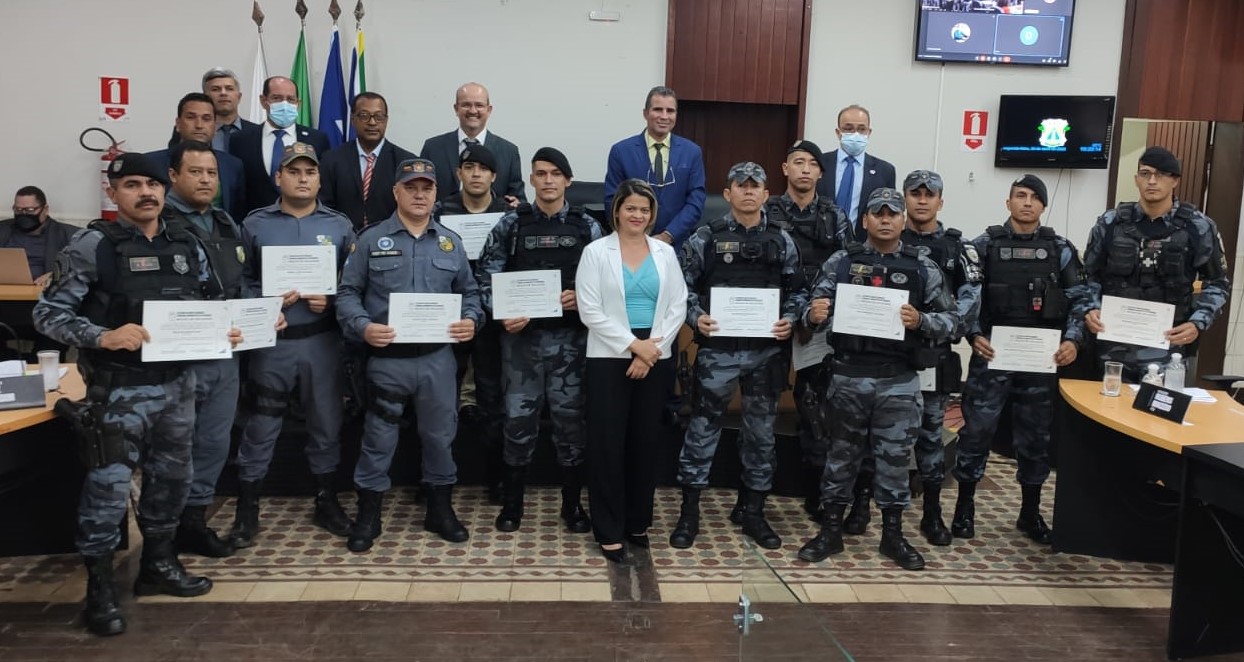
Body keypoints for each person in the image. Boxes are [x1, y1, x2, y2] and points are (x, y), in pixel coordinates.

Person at [32, 153, 243, 636]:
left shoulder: (186, 242)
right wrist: (101, 335)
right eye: (132, 184)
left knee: (172, 483)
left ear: (164, 188)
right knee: (106, 495)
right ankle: (100, 589)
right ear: (114, 192)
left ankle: (158, 566)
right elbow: (48, 314)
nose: (145, 193)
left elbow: (212, 302)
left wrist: (225, 330)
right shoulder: (92, 245)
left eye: (152, 183)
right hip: (119, 392)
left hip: (178, 386)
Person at [796, 187, 958, 570]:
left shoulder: (923, 267)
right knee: (840, 458)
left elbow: (952, 321)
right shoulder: (841, 262)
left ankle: (893, 536)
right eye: (877, 213)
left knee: (895, 461)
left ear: (903, 220)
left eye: (892, 213)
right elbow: (810, 309)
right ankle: (830, 532)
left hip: (898, 381)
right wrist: (813, 314)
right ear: (865, 219)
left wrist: (921, 320)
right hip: (848, 376)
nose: (885, 219)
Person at [336, 158, 482, 551]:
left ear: (436, 193)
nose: (420, 194)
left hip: (437, 361)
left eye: (427, 188)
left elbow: (470, 293)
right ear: (396, 192)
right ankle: (369, 515)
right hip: (387, 361)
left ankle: (440, 510)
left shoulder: (451, 242)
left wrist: (471, 319)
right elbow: (347, 293)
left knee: (439, 436)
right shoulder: (370, 240)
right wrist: (364, 326)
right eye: (411, 187)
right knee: (378, 439)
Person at [670, 162, 808, 550]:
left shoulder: (783, 241)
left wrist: (790, 318)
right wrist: (698, 318)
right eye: (740, 185)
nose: (748, 191)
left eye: (756, 185)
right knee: (701, 431)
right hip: (718, 352)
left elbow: (798, 291)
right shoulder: (704, 238)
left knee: (761, 436)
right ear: (727, 194)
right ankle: (689, 513)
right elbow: (682, 290)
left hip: (766, 354)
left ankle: (754, 513)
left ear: (767, 195)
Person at [951, 175, 1091, 544]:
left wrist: (1074, 340)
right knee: (977, 431)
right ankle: (965, 507)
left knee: (1036, 439)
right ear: (1008, 202)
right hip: (992, 356)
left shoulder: (1060, 249)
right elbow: (964, 298)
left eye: (1034, 198)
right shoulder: (981, 246)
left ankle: (1030, 512)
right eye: (1020, 196)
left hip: (1040, 360)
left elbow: (1081, 299)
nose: (1027, 203)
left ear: (1043, 207)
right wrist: (973, 334)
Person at [229, 143, 356, 548]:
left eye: (310, 172)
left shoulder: (339, 226)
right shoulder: (255, 225)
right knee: (261, 423)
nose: (303, 178)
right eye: (294, 171)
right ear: (278, 177)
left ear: (319, 178)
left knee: (326, 423)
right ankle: (247, 507)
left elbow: (354, 282)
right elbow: (240, 280)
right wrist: (262, 303)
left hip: (322, 343)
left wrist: (332, 299)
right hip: (273, 343)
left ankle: (326, 499)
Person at [475, 147, 604, 535]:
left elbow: (605, 283)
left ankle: (572, 506)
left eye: (555, 174)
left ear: (568, 180)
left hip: (571, 345)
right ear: (531, 179)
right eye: (540, 174)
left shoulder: (588, 227)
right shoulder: (511, 224)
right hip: (521, 346)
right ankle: (513, 505)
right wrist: (501, 310)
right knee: (517, 424)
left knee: (572, 427)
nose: (547, 181)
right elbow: (485, 276)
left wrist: (582, 299)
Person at [159, 140, 267, 558]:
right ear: (173, 176)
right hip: (177, 358)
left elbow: (240, 285)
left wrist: (264, 315)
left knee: (213, 442)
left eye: (211, 174)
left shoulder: (224, 223)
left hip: (225, 353)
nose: (205, 180)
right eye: (195, 172)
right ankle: (160, 538)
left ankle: (193, 523)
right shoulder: (159, 221)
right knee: (172, 446)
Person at [576, 179, 687, 562]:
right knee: (608, 443)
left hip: (656, 354)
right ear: (617, 212)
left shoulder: (664, 253)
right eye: (630, 208)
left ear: (652, 214)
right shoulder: (595, 252)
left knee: (645, 441)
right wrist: (632, 346)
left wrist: (649, 350)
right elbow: (590, 310)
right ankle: (608, 528)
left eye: (644, 209)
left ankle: (637, 521)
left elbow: (679, 305)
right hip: (609, 354)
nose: (637, 215)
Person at [1082, 146, 1230, 380]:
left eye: (1161, 174)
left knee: (1157, 412)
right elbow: (1089, 276)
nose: (1152, 181)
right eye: (1145, 173)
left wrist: (1197, 323)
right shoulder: (1110, 223)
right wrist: (1090, 308)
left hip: (1167, 347)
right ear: (1136, 179)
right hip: (1111, 345)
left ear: (1175, 181)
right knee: (1105, 411)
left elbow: (1218, 282)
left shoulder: (1198, 227)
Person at [760, 140, 851, 521]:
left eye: (812, 164)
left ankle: (817, 490)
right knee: (761, 404)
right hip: (773, 321)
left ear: (820, 173)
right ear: (785, 168)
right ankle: (755, 495)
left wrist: (819, 314)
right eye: (798, 162)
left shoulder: (835, 214)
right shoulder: (766, 211)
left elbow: (849, 267)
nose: (805, 170)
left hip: (819, 324)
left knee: (817, 406)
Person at [898, 170, 982, 545]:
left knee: (930, 437)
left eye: (929, 194)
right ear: (904, 198)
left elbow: (968, 305)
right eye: (914, 193)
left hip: (933, 356)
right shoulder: (886, 239)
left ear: (940, 201)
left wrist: (926, 323)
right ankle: (867, 505)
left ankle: (932, 512)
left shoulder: (958, 247)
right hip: (887, 357)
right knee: (880, 435)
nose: (921, 200)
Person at [440, 144, 510, 502]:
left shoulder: (509, 215)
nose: (477, 174)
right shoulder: (441, 212)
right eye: (470, 167)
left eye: (484, 168)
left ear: (494, 176)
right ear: (459, 173)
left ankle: (495, 478)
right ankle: (437, 478)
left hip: (493, 321)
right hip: (446, 318)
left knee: (493, 400)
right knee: (441, 399)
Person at [604, 86, 706, 247]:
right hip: (631, 243)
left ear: (676, 115)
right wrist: (637, 235)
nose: (664, 116)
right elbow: (612, 200)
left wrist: (668, 235)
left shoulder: (692, 152)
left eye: (670, 111)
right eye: (658, 109)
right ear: (645, 113)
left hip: (677, 246)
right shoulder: (621, 151)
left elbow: (696, 201)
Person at [229, 76, 331, 217]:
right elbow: (236, 187)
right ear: (264, 101)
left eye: (291, 99)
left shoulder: (317, 139)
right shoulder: (240, 140)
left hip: (306, 222)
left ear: (298, 103)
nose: (285, 104)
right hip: (255, 224)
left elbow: (323, 184)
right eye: (277, 98)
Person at [319, 92, 417, 229]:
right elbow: (325, 206)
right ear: (353, 120)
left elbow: (411, 207)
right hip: (344, 239)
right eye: (364, 116)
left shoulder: (406, 161)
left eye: (379, 117)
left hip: (392, 240)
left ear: (386, 121)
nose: (372, 122)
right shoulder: (332, 159)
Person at [146, 92, 247, 224]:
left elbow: (238, 212)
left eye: (206, 118)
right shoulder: (150, 163)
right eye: (191, 117)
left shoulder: (232, 164)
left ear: (215, 126)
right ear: (178, 123)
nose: (199, 125)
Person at [420, 82, 525, 204]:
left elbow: (518, 199)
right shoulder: (433, 148)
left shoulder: (509, 151)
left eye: (479, 105)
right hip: (441, 220)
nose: (473, 110)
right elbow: (421, 190)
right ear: (456, 109)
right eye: (466, 105)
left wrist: (517, 204)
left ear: (489, 110)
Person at [815, 105, 897, 241]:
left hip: (864, 248)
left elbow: (888, 212)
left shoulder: (885, 171)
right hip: (820, 244)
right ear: (838, 132)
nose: (855, 134)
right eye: (848, 129)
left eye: (861, 129)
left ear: (869, 132)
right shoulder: (819, 163)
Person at [1, 186, 77, 284]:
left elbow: (86, 268)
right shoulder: (3, 230)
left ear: (45, 209)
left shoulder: (68, 234)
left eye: (30, 210)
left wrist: (58, 275)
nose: (23, 214)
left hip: (45, 294)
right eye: (18, 210)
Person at [201, 67, 260, 152]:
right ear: (205, 97)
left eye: (229, 89)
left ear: (239, 96)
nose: (223, 93)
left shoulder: (258, 133)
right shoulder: (196, 131)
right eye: (216, 89)